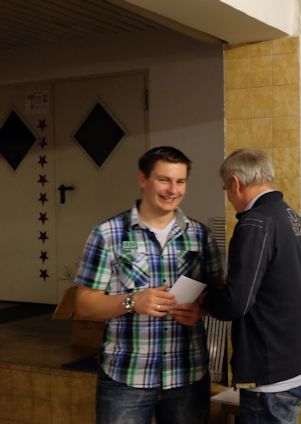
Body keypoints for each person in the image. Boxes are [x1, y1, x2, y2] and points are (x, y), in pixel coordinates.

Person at [74, 146, 223, 424]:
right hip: (126, 375)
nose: (173, 190)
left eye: (180, 181)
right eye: (163, 180)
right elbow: (83, 305)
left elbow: (217, 292)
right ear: (143, 179)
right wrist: (132, 302)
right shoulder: (108, 234)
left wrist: (201, 310)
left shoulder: (200, 236)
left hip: (187, 374)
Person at [206, 148, 301, 423]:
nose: (229, 197)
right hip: (300, 360)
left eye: (225, 189)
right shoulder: (293, 218)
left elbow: (236, 303)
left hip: (272, 373)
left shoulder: (255, 223)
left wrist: (202, 299)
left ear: (235, 183)